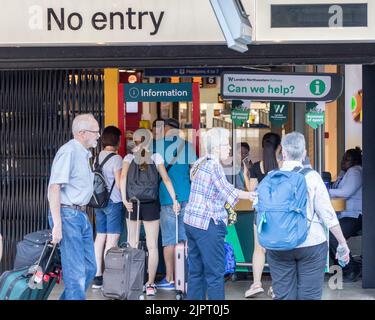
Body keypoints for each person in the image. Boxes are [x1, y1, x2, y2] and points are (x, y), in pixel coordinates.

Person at [264, 132, 350, 300]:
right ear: (304, 154)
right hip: (311, 243)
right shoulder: (312, 177)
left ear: (283, 153)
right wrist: (342, 242)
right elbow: (328, 215)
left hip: (278, 245)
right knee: (309, 296)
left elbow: (260, 210)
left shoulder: (270, 178)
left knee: (284, 296)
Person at [184, 127, 256, 300]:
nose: (230, 149)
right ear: (216, 147)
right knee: (215, 273)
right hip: (207, 224)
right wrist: (252, 195)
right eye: (226, 145)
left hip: (192, 222)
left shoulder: (201, 161)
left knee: (196, 271)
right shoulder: (214, 165)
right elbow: (228, 191)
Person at [120, 129, 180, 297]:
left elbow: (123, 177)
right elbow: (166, 179)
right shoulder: (156, 157)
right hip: (151, 204)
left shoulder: (128, 157)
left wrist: (125, 200)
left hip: (133, 203)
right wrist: (175, 200)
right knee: (152, 245)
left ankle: (134, 282)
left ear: (135, 141)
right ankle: (151, 284)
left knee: (132, 243)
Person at [47, 113, 100, 300]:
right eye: (95, 132)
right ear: (82, 132)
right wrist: (57, 224)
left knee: (89, 268)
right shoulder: (69, 151)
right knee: (76, 272)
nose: (98, 135)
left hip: (80, 215)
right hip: (68, 214)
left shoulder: (83, 154)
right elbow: (54, 187)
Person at [153, 118, 197, 290]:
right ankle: (185, 276)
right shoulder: (188, 146)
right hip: (187, 196)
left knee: (169, 241)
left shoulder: (156, 146)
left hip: (166, 199)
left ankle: (170, 278)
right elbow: (194, 172)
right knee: (186, 239)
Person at [243, 132, 281, 298]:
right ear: (278, 147)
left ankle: (257, 284)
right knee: (277, 250)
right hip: (279, 214)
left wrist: (245, 175)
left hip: (260, 213)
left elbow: (252, 192)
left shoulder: (256, 167)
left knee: (259, 249)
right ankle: (276, 286)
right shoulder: (283, 166)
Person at [92, 126, 124, 289]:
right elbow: (119, 183)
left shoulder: (97, 157)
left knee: (100, 237)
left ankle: (97, 276)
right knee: (112, 240)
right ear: (116, 140)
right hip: (113, 202)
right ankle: (109, 277)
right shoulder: (117, 159)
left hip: (99, 202)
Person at [329, 147, 363, 282]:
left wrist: (325, 191)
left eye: (347, 159)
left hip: (355, 216)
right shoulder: (346, 172)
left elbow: (346, 192)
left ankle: (352, 268)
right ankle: (343, 267)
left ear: (355, 161)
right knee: (329, 234)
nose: (343, 161)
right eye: (343, 158)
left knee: (332, 235)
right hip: (348, 215)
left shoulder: (355, 171)